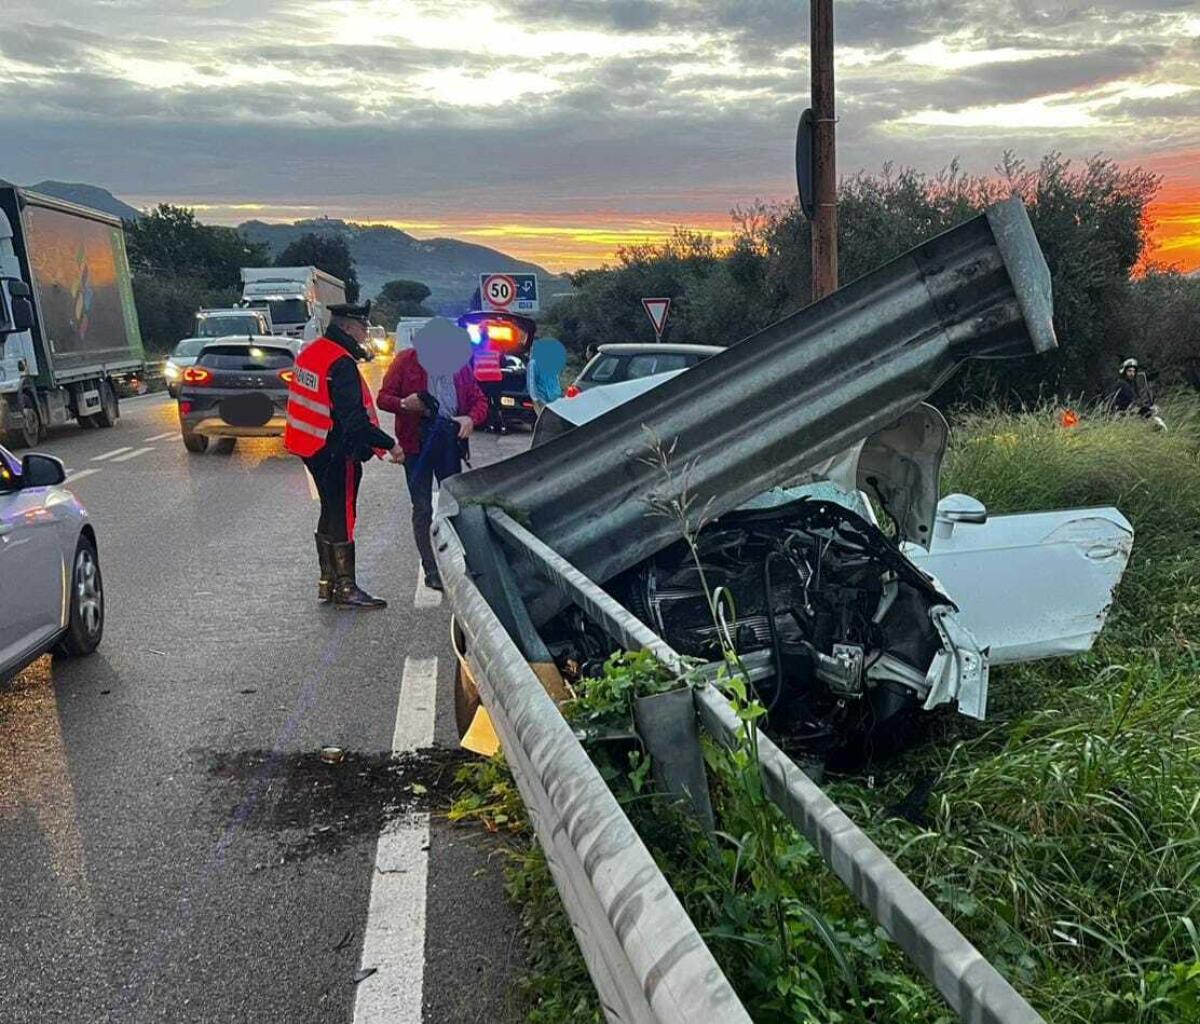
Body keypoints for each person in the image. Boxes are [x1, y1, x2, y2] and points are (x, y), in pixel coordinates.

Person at [284, 300, 402, 609]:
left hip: (310, 445)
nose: (365, 334)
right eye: (363, 327)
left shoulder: (311, 352)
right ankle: (346, 586)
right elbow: (354, 421)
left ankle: (328, 581)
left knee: (329, 510)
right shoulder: (341, 362)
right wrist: (389, 444)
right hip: (336, 449)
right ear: (348, 327)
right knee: (343, 514)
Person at [377, 319, 489, 590]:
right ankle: (430, 568)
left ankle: (458, 562)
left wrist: (470, 419)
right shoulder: (406, 361)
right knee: (423, 507)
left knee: (453, 506)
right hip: (417, 445)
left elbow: (480, 401)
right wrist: (404, 403)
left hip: (449, 442)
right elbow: (383, 398)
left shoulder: (460, 367)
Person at [1112, 357, 1167, 430]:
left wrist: (1148, 408)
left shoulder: (1131, 385)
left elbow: (1137, 402)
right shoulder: (1122, 384)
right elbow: (1132, 403)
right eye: (1129, 371)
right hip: (1124, 417)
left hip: (1130, 415)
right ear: (1124, 371)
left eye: (1133, 371)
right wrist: (1147, 410)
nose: (1132, 373)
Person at [526, 337, 566, 414]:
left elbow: (531, 382)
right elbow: (556, 379)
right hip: (554, 396)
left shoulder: (533, 363)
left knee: (544, 421)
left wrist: (535, 398)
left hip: (542, 398)